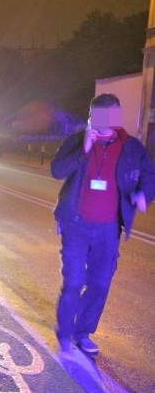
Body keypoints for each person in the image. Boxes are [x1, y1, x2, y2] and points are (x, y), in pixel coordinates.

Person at [51, 93, 155, 355]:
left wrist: (144, 194)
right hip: (76, 223)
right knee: (74, 280)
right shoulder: (76, 141)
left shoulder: (131, 146)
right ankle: (65, 331)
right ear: (92, 115)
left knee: (100, 283)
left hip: (109, 228)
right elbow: (57, 170)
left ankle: (82, 331)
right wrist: (83, 149)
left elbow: (149, 174)